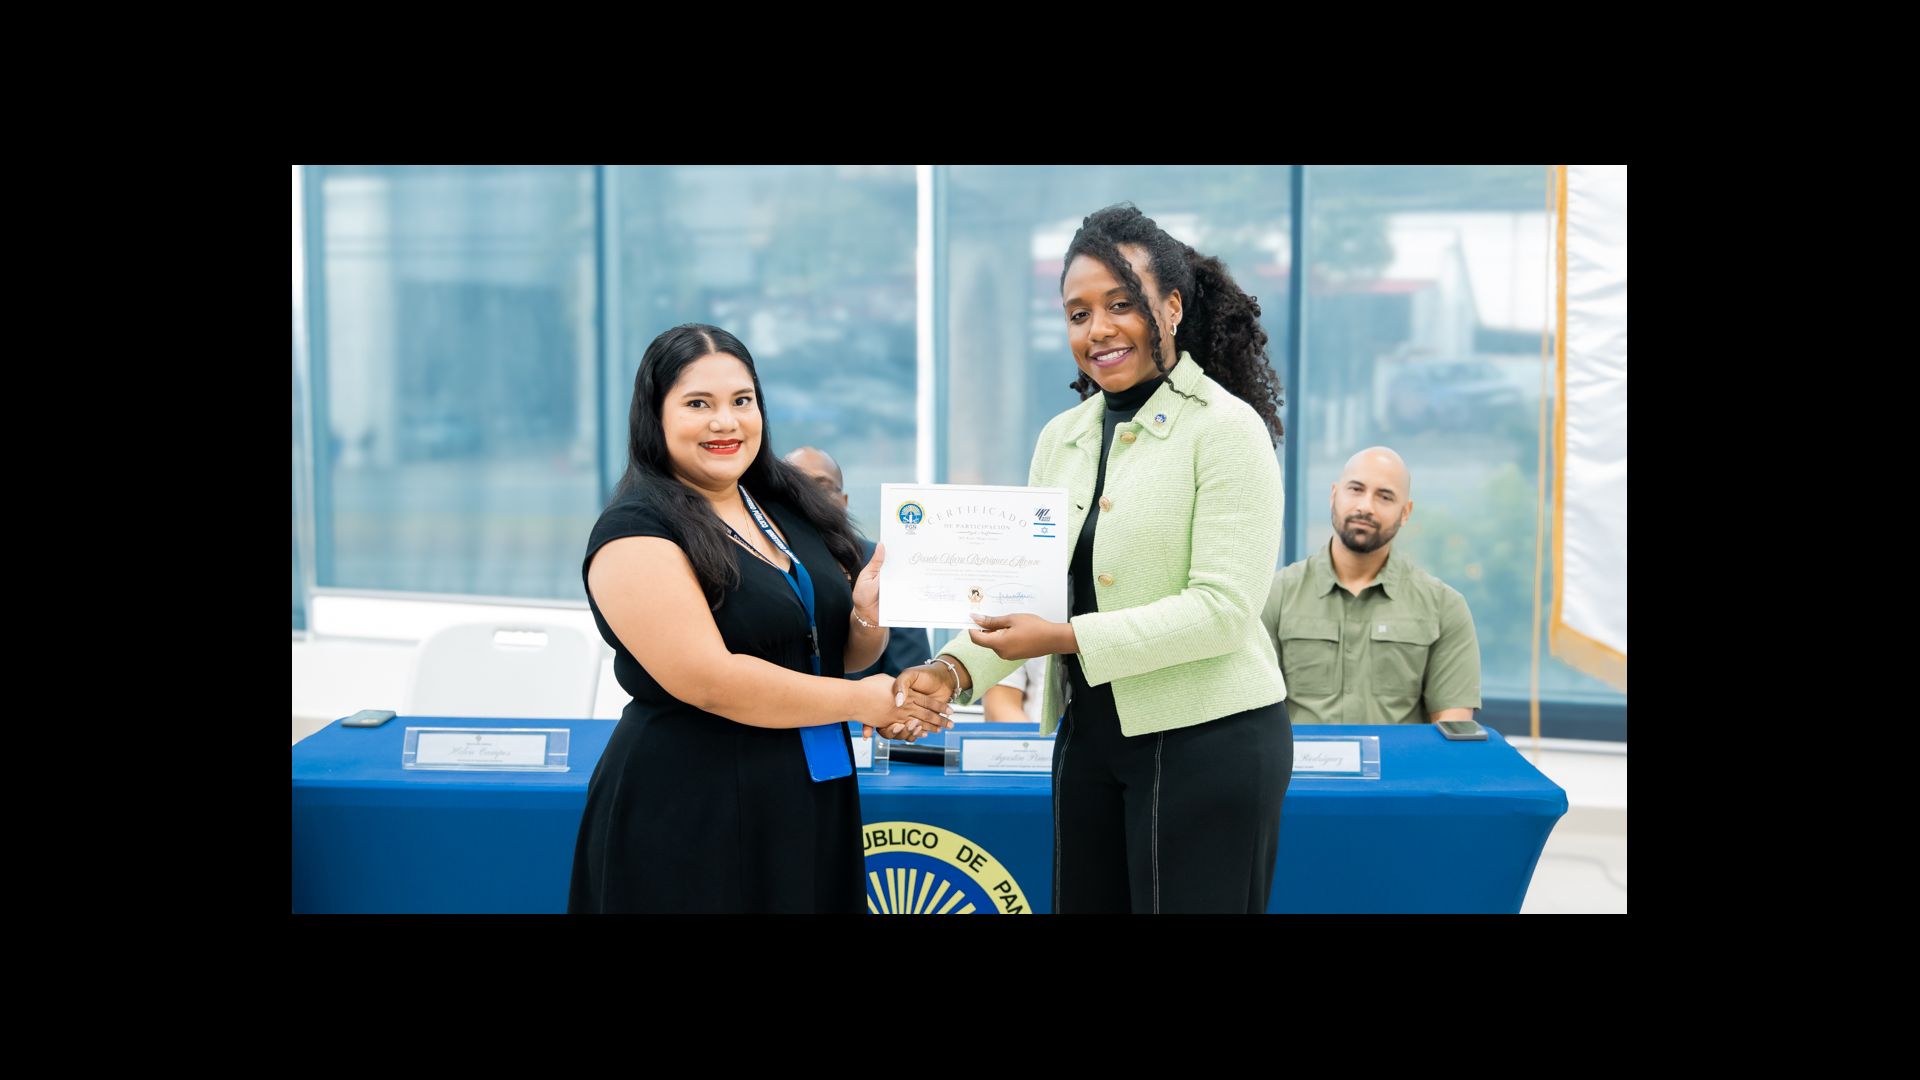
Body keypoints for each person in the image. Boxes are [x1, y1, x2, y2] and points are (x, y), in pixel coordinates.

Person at [895, 204, 1293, 913]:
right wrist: (948, 671)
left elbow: (1223, 612)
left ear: (1172, 307)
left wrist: (1064, 637)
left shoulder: (1227, 429)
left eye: (1121, 303)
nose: (1098, 329)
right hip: (1089, 739)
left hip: (1211, 741)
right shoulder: (1062, 438)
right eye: (1078, 314)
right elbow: (1027, 592)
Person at [569, 324, 950, 913]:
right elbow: (709, 680)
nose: (726, 422)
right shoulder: (635, 531)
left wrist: (868, 618)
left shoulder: (784, 504)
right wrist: (861, 702)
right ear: (654, 415)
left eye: (741, 401)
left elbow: (833, 654)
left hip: (808, 792)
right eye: (699, 404)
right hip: (692, 803)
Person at [1262, 446, 1482, 725]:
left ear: (1405, 512)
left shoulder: (1444, 607)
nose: (1366, 506)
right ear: (1333, 495)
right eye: (1356, 489)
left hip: (1402, 756)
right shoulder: (1275, 596)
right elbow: (1256, 716)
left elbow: (1454, 726)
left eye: (1385, 496)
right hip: (1298, 756)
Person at [784, 445, 935, 680]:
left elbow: (909, 669)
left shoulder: (882, 562)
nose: (809, 497)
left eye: (822, 487)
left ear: (844, 501)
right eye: (796, 487)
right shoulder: (760, 562)